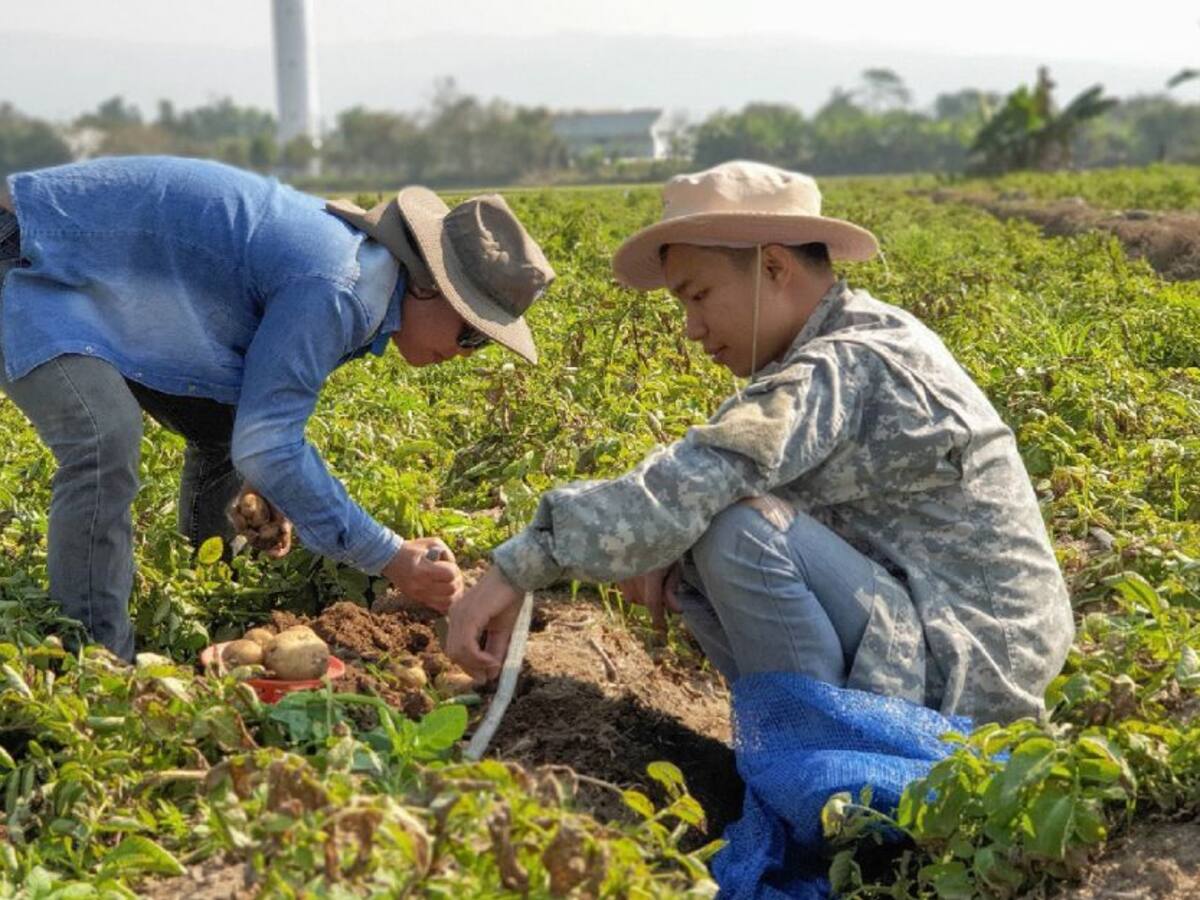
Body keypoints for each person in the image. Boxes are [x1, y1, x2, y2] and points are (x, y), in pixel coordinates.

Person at [447, 160, 1073, 724]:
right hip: (954, 643)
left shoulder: (844, 362)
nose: (691, 328)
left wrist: (519, 566)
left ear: (774, 266)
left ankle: (828, 777)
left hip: (970, 674)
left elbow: (704, 472)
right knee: (701, 535)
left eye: (699, 296)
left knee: (736, 531)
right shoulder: (858, 337)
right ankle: (803, 755)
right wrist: (666, 545)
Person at [0, 155, 554, 661]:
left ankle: (211, 581)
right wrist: (390, 556)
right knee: (103, 439)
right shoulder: (343, 286)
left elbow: (258, 412)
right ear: (432, 286)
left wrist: (269, 485)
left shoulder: (364, 279)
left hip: (98, 277)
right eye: (471, 334)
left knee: (225, 422)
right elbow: (269, 442)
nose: (462, 353)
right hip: (34, 253)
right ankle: (94, 665)